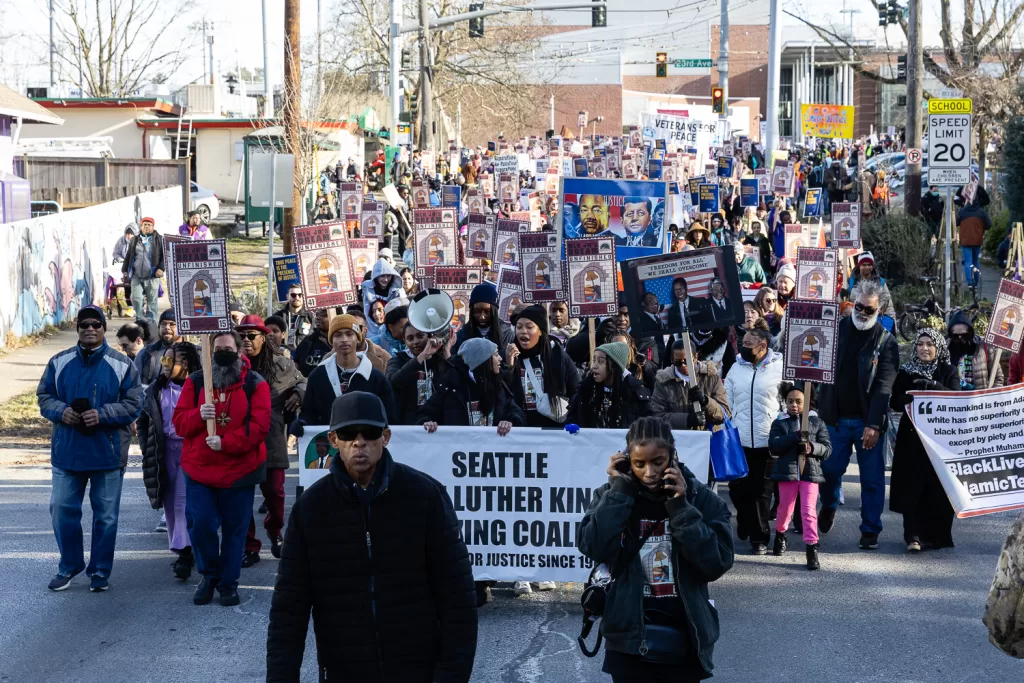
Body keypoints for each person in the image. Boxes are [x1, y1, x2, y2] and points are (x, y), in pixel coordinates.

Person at [266, 391, 478, 682]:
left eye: (370, 432)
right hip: (343, 670)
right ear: (333, 440)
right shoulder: (311, 508)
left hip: (418, 669)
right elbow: (289, 608)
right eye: (348, 433)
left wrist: (451, 675)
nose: (359, 442)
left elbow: (458, 597)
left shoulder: (426, 496)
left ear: (386, 437)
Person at [577, 417, 734, 682]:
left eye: (657, 462)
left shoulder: (699, 497)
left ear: (673, 457)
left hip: (685, 636)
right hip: (627, 638)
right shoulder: (611, 494)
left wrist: (681, 508)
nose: (649, 472)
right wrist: (620, 493)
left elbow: (717, 562)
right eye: (639, 464)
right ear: (627, 460)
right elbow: (591, 545)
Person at [37, 306, 143, 592]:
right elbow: (44, 396)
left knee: (106, 517)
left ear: (104, 327)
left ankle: (99, 571)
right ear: (77, 328)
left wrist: (104, 414)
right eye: (84, 325)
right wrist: (61, 411)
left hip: (107, 453)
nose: (90, 329)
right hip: (67, 452)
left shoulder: (122, 364)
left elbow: (135, 403)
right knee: (61, 509)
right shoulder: (59, 362)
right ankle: (69, 565)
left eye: (96, 324)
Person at [172, 329, 271, 606]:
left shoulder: (255, 384)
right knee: (200, 523)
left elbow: (260, 427)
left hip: (240, 470)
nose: (223, 354)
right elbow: (180, 423)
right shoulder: (195, 382)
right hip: (201, 469)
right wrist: (198, 415)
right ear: (209, 352)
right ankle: (209, 575)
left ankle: (229, 582)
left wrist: (226, 442)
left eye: (229, 349)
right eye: (218, 350)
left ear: (240, 352)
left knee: (235, 529)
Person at [815, 280, 900, 549]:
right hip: (835, 418)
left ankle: (870, 529)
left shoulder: (886, 342)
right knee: (828, 471)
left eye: (869, 309)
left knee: (872, 479)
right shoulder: (835, 331)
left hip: (867, 421)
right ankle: (829, 504)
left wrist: (874, 424)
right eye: (859, 307)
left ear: (880, 310)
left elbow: (884, 385)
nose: (862, 312)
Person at [237, 316, 305, 568]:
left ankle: (275, 531)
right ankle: (249, 546)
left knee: (275, 495)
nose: (245, 340)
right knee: (241, 498)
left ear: (263, 337)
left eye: (251, 335)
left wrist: (299, 393)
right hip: (239, 440)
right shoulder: (229, 363)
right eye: (241, 335)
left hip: (271, 438)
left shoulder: (281, 363)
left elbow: (302, 380)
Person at [887, 328, 961, 552]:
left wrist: (935, 387)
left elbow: (956, 399)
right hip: (912, 440)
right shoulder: (906, 372)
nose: (924, 348)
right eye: (920, 344)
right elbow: (894, 402)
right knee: (912, 486)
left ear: (938, 347)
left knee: (937, 487)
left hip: (939, 441)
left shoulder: (948, 371)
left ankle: (936, 535)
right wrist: (910, 395)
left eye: (929, 344)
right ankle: (913, 536)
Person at [139, 341, 200, 580]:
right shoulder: (156, 389)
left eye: (169, 361)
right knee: (169, 501)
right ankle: (181, 546)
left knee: (182, 502)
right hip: (164, 451)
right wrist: (147, 447)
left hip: (189, 450)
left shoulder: (197, 388)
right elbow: (144, 421)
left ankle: (186, 553)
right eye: (163, 360)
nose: (164, 365)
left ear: (185, 364)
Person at [724, 318, 783, 554]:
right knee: (738, 488)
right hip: (739, 439)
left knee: (762, 491)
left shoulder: (779, 368)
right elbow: (726, 397)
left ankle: (759, 537)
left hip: (767, 439)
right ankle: (744, 520)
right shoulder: (736, 367)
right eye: (742, 343)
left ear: (763, 345)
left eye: (749, 344)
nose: (743, 347)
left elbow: (789, 400)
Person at [768, 383, 832, 570]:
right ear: (784, 402)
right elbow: (774, 446)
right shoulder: (779, 423)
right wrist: (795, 437)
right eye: (790, 401)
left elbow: (827, 448)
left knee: (808, 511)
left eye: (798, 401)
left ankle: (812, 548)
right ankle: (780, 534)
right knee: (785, 510)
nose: (794, 405)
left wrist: (812, 448)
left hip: (810, 473)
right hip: (787, 474)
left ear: (806, 402)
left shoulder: (817, 422)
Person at [296, 314, 397, 429]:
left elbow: (389, 417)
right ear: (331, 341)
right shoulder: (318, 376)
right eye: (338, 335)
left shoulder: (375, 378)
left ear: (358, 338)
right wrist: (303, 422)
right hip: (331, 443)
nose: (344, 340)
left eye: (349, 334)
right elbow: (309, 412)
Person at [420, 337, 525, 432]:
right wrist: (428, 422)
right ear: (481, 361)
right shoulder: (451, 386)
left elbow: (517, 414)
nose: (500, 359)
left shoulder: (498, 385)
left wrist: (510, 421)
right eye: (496, 355)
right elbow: (424, 415)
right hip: (458, 450)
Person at [506, 304, 580, 428]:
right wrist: (508, 367)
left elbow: (576, 391)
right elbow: (504, 396)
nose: (523, 331)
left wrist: (571, 422)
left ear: (540, 331)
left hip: (554, 430)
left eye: (529, 327)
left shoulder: (557, 355)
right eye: (519, 327)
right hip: (521, 430)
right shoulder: (510, 355)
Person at [567, 342, 652, 429]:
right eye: (594, 360)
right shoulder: (586, 390)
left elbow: (648, 426)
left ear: (614, 366)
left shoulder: (634, 393)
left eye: (600, 361)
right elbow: (572, 419)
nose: (594, 366)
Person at [651, 339, 730, 430]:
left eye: (686, 361)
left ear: (695, 357)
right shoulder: (663, 382)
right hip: (678, 440)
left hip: (708, 439)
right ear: (672, 359)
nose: (683, 366)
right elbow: (657, 417)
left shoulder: (711, 377)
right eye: (678, 362)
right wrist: (687, 420)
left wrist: (706, 401)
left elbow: (725, 414)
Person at [387, 322, 454, 425]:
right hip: (408, 425)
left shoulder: (439, 360)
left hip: (439, 424)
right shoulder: (397, 360)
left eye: (420, 336)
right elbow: (394, 382)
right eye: (410, 338)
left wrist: (446, 350)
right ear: (404, 341)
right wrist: (422, 356)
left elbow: (454, 382)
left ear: (429, 336)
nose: (416, 342)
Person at [121, 217, 165, 322]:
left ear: (153, 227)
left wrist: (161, 268)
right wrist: (125, 270)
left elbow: (165, 256)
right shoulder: (135, 240)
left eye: (149, 225)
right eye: (144, 224)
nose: (146, 227)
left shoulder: (159, 239)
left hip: (152, 276)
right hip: (136, 275)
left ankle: (151, 324)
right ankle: (140, 320)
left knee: (152, 302)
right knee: (135, 298)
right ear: (141, 226)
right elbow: (128, 256)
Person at [947, 311, 1004, 390]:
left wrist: (992, 397)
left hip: (979, 400)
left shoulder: (983, 347)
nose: (960, 338)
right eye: (956, 335)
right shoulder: (944, 348)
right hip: (953, 400)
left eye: (964, 334)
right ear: (950, 334)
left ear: (970, 332)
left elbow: (998, 377)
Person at [452, 283, 515, 354]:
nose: (482, 317)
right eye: (477, 311)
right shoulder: (461, 335)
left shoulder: (507, 335)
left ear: (494, 311)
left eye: (487, 311)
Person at [135, 310, 182, 387]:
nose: (167, 327)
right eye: (163, 324)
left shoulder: (192, 353)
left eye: (172, 324)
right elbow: (135, 384)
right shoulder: (145, 353)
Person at [844, 252, 896, 322]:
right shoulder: (850, 282)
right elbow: (841, 302)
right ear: (859, 266)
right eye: (864, 265)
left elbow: (889, 305)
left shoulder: (880, 282)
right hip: (854, 322)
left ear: (872, 266)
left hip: (875, 323)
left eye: (869, 265)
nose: (867, 267)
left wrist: (892, 321)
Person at [362, 257, 405, 341]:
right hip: (373, 330)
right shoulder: (368, 289)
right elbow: (367, 313)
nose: (385, 279)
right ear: (376, 276)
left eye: (388, 276)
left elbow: (403, 310)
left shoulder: (398, 290)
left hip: (393, 330)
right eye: (382, 276)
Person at [957, 200, 992, 288]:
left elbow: (956, 222)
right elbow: (989, 225)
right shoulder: (981, 211)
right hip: (977, 240)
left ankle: (970, 283)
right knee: (975, 261)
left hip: (965, 240)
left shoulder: (962, 211)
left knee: (968, 262)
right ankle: (975, 283)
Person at [273, 284, 315, 350]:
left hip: (303, 356)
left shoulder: (311, 317)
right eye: (293, 295)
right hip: (282, 355)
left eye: (300, 295)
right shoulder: (277, 317)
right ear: (287, 296)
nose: (297, 298)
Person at [293, 309, 332, 377]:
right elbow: (296, 363)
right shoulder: (307, 341)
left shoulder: (343, 342)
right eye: (317, 315)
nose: (318, 318)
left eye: (324, 315)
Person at [633, 291, 665, 367]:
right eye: (651, 299)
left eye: (656, 300)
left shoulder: (658, 318)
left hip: (662, 355)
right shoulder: (641, 319)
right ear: (643, 304)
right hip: (651, 357)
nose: (655, 302)